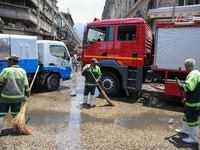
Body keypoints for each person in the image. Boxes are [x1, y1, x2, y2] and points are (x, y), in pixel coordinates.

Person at [0, 54, 30, 135]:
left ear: (12, 61)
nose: (7, 62)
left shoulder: (6, 71)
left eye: (8, 60)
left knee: (1, 114)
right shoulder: (23, 71)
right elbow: (26, 85)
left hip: (6, 97)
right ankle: (17, 130)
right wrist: (27, 93)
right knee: (15, 114)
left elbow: (0, 81)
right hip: (18, 97)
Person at [175, 58, 200, 143]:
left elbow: (189, 87)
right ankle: (185, 130)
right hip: (193, 100)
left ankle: (194, 138)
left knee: (192, 120)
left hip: (193, 103)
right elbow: (195, 89)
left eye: (185, 67)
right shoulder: (197, 73)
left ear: (188, 66)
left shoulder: (193, 74)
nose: (185, 69)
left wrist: (180, 85)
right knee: (186, 115)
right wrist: (186, 98)